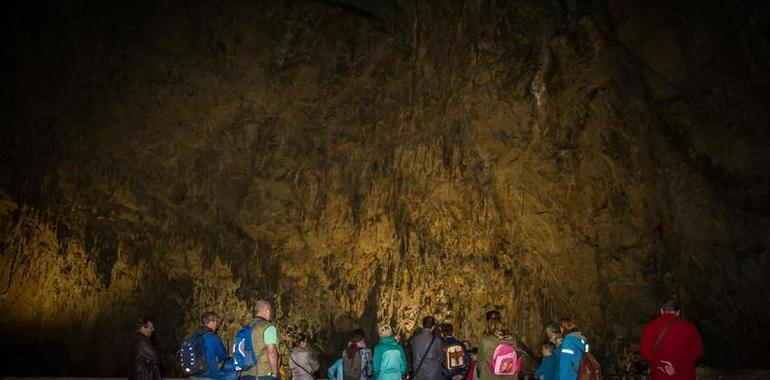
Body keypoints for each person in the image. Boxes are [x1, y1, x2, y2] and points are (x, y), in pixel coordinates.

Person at [640, 301, 703, 380]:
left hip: (661, 375)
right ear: (678, 312)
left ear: (662, 311)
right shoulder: (690, 328)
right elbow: (698, 351)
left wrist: (661, 364)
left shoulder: (650, 327)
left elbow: (645, 351)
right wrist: (676, 365)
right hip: (685, 375)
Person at [241, 300, 280, 380]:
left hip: (246, 374)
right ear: (267, 311)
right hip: (263, 374)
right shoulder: (268, 327)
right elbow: (271, 352)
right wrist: (275, 373)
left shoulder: (245, 328)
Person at [192, 312, 235, 380]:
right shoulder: (213, 338)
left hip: (194, 374)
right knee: (233, 373)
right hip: (209, 374)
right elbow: (223, 356)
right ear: (211, 323)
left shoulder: (194, 337)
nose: (217, 325)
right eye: (216, 322)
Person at [477, 310, 516, 380]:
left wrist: (478, 372)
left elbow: (480, 361)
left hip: (489, 375)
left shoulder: (486, 340)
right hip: (509, 376)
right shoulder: (512, 339)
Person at [412, 316, 442, 380]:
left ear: (422, 325)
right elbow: (441, 358)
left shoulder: (414, 339)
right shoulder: (437, 341)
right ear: (433, 327)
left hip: (418, 374)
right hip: (432, 375)